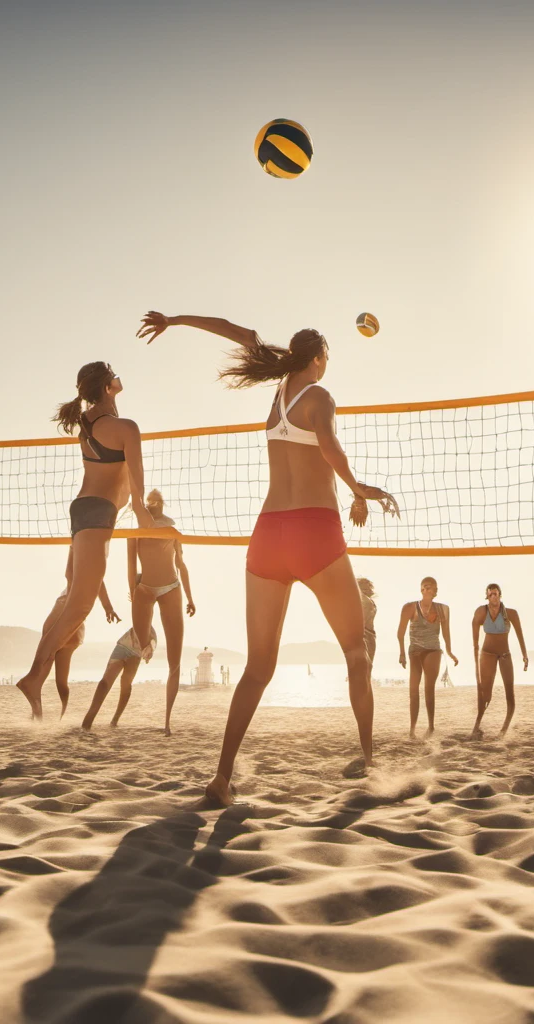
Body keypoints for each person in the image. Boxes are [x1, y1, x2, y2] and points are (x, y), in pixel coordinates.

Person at [138, 311, 397, 806]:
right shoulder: (319, 396)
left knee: (258, 669)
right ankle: (369, 764)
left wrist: (175, 320)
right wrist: (360, 489)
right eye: (328, 359)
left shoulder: (278, 396)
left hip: (268, 537)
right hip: (314, 534)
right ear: (319, 359)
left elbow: (240, 333)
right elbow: (329, 444)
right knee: (357, 654)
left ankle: (220, 777)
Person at [15, 362, 147, 718]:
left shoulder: (88, 424)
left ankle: (35, 677)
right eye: (114, 374)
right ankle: (33, 676)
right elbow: (136, 489)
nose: (121, 376)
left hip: (86, 511)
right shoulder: (125, 427)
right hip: (98, 514)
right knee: (79, 605)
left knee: (77, 601)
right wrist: (146, 520)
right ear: (108, 387)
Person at [126, 488, 196, 733]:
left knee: (174, 662)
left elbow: (181, 565)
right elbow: (130, 565)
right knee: (141, 646)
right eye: (153, 504)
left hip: (171, 589)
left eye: (159, 504)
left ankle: (167, 722)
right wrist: (132, 591)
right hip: (144, 589)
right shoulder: (134, 533)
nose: (157, 507)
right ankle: (151, 643)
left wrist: (189, 597)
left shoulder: (172, 531)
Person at [38, 556, 119, 717]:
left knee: (44, 667)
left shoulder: (85, 556)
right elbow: (99, 583)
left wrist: (108, 608)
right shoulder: (92, 561)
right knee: (59, 679)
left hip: (65, 612)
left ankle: (41, 712)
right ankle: (59, 714)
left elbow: (97, 582)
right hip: (75, 621)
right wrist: (108, 608)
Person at [398, 576, 458, 737]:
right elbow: (400, 632)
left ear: (435, 591)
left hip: (433, 650)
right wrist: (402, 653)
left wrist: (450, 651)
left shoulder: (442, 609)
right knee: (413, 689)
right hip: (415, 651)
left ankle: (431, 726)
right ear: (421, 589)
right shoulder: (410, 607)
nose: (427, 589)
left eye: (430, 587)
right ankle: (412, 729)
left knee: (429, 687)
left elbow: (446, 632)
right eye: (424, 587)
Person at [469, 584, 528, 739]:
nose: (493, 597)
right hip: (487, 654)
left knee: (510, 693)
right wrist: (475, 653)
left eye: (495, 594)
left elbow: (520, 634)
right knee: (485, 695)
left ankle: (503, 732)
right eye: (490, 595)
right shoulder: (481, 611)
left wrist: (524, 654)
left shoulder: (511, 613)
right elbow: (474, 626)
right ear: (487, 597)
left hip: (504, 654)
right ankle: (476, 727)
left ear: (500, 595)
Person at [80, 623, 157, 731]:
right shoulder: (140, 611)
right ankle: (88, 721)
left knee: (126, 685)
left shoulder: (150, 622)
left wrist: (152, 648)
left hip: (136, 653)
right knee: (105, 683)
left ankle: (115, 720)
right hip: (123, 646)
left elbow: (153, 638)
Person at [357, 578, 378, 681]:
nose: (370, 589)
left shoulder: (366, 600)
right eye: (367, 586)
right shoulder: (364, 599)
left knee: (367, 668)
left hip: (368, 634)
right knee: (366, 669)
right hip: (365, 635)